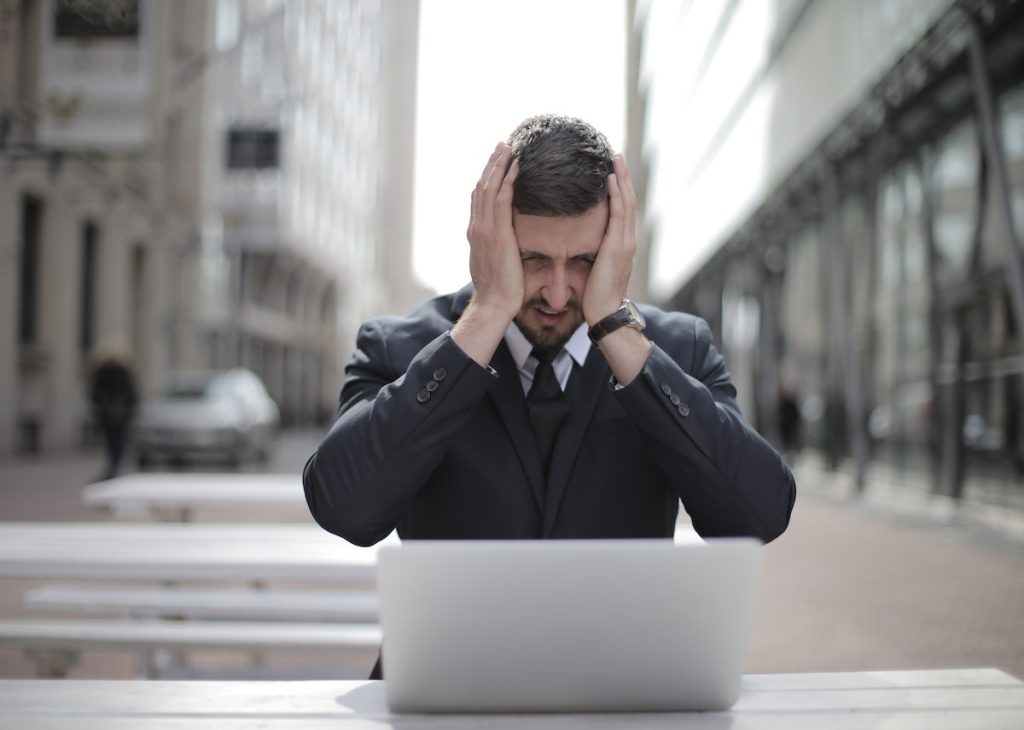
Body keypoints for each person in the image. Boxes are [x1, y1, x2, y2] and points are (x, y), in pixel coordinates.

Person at [303, 114, 796, 678]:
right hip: (443, 700)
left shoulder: (674, 350)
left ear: (618, 243)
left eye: (584, 261)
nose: (559, 293)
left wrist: (616, 329)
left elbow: (759, 514)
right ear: (488, 238)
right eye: (533, 258)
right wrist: (486, 315)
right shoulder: (398, 347)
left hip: (621, 702)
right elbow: (344, 509)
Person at [89, 337, 139, 480]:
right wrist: (130, 409)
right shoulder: (124, 371)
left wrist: (99, 407)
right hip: (121, 413)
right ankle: (115, 465)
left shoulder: (101, 371)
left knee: (111, 440)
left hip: (107, 413)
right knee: (119, 439)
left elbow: (95, 394)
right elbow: (132, 393)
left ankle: (113, 465)